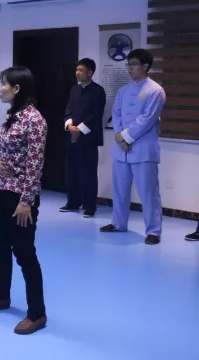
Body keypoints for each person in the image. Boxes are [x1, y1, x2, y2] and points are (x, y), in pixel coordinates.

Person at [0, 66, 47, 335]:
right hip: (2, 190)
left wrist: (27, 200)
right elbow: (6, 152)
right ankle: (2, 296)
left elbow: (35, 164)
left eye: (4, 84)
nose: (0, 89)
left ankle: (37, 314)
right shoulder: (12, 115)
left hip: (21, 198)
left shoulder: (35, 120)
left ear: (17, 88)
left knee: (24, 252)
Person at [100, 48, 166, 245]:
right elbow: (116, 114)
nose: (130, 68)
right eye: (128, 65)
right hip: (122, 149)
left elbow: (146, 120)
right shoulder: (123, 90)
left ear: (145, 66)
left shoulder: (155, 91)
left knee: (148, 193)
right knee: (119, 189)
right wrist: (120, 137)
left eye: (133, 64)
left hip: (143, 149)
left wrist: (125, 137)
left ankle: (153, 231)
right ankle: (118, 223)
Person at [60, 58, 106, 218]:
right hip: (72, 136)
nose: (77, 73)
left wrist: (80, 129)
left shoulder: (98, 91)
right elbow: (68, 110)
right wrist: (69, 125)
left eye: (81, 70)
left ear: (90, 72)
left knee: (88, 172)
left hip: (88, 138)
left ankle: (89, 206)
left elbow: (96, 115)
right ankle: (72, 202)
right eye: (77, 70)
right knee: (71, 170)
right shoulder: (74, 90)